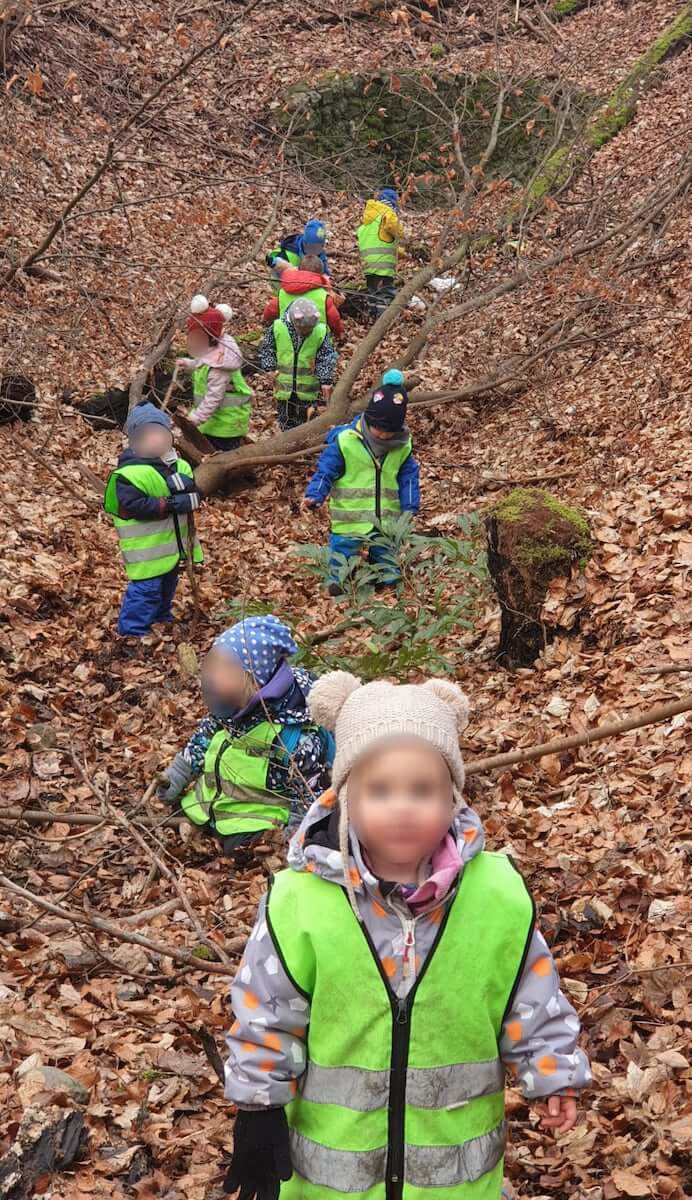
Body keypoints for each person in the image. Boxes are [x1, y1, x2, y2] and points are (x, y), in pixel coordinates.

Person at [221, 672, 592, 1199]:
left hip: (453, 1177)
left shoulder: (496, 896)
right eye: (380, 790)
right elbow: (266, 1011)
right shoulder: (299, 902)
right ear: (345, 798)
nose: (402, 806)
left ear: (453, 798)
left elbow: (530, 994)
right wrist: (257, 1106)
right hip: (335, 1178)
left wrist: (552, 1069)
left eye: (422, 789)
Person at [156, 616, 334, 854]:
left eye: (224, 670)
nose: (212, 677)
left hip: (258, 819)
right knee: (179, 817)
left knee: (242, 848)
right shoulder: (228, 708)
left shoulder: (295, 737)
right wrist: (176, 776)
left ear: (252, 679)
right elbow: (200, 743)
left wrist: (293, 840)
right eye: (213, 666)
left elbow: (307, 797)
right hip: (209, 805)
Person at [303, 374, 419, 592]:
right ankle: (339, 582)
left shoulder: (402, 447)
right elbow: (325, 470)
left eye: (390, 431)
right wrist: (315, 495)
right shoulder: (346, 441)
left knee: (387, 553)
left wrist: (410, 507)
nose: (384, 435)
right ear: (369, 420)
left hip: (387, 517)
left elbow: (409, 478)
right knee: (342, 552)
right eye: (379, 429)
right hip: (350, 517)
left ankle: (388, 582)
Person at [102, 403, 203, 637]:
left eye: (160, 433)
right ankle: (132, 632)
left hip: (172, 547)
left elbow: (194, 491)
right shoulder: (129, 474)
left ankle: (161, 618)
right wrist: (167, 505)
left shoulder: (179, 465)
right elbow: (132, 505)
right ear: (136, 441)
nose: (156, 440)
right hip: (146, 550)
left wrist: (192, 497)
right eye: (149, 436)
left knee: (167, 587)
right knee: (146, 590)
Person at [176, 295, 253, 451]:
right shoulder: (212, 350)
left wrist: (196, 418)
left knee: (224, 458)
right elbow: (203, 361)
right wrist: (189, 363)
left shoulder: (220, 368)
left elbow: (214, 397)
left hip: (226, 424)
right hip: (214, 420)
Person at [260, 298, 337, 432]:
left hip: (308, 387)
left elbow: (326, 356)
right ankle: (287, 440)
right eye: (303, 329)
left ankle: (304, 441)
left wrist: (325, 380)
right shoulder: (278, 327)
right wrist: (269, 367)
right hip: (283, 385)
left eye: (309, 329)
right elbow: (268, 348)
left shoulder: (321, 331)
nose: (306, 331)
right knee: (286, 418)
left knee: (307, 419)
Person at [261, 255, 344, 342]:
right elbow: (334, 318)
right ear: (320, 274)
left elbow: (271, 309)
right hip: (316, 340)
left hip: (287, 337)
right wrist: (339, 332)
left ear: (298, 270)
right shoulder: (324, 296)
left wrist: (266, 319)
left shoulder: (284, 292)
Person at [357, 186, 403, 318]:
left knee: (373, 293)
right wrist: (401, 231)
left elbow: (379, 239)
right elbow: (394, 227)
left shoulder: (369, 221)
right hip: (383, 266)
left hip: (368, 266)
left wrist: (400, 251)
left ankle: (372, 317)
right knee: (386, 293)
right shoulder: (388, 214)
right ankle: (383, 320)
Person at [267, 218, 330, 283]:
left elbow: (325, 274)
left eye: (318, 248)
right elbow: (279, 273)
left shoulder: (321, 255)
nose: (314, 252)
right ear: (304, 242)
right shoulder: (288, 252)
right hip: (285, 287)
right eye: (311, 247)